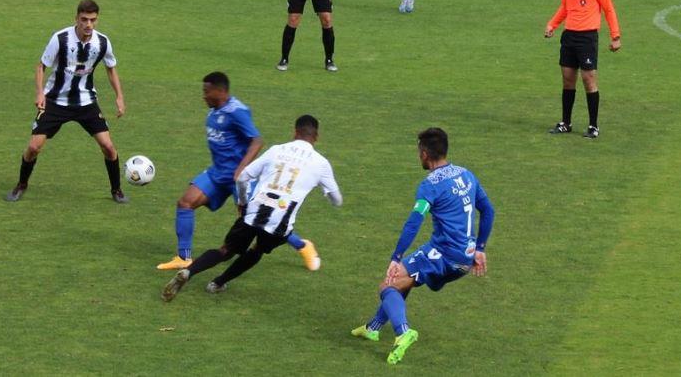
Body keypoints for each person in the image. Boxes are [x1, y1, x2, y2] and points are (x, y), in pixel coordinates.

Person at [350, 127, 494, 365]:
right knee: (404, 281)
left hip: (443, 255)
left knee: (388, 285)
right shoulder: (467, 175)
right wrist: (480, 248)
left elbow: (414, 221)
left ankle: (403, 332)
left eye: (419, 152)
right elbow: (488, 210)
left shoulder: (431, 185)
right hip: (464, 260)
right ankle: (373, 327)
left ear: (425, 154)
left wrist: (396, 256)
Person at [161, 115, 343, 301]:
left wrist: (241, 201)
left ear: (295, 132)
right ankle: (218, 283)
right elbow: (337, 200)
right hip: (280, 220)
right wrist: (326, 192)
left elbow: (242, 177)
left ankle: (188, 272)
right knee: (257, 250)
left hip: (254, 210)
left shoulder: (276, 150)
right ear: (316, 137)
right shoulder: (321, 163)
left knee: (225, 250)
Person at [157, 73, 321, 271]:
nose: (204, 96)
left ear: (221, 91)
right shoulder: (215, 110)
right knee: (185, 203)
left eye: (207, 92)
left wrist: (242, 169)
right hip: (217, 174)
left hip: (240, 178)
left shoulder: (237, 111)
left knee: (261, 221)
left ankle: (303, 245)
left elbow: (257, 140)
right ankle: (184, 258)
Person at [4, 0, 128, 203]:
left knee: (108, 146)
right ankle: (21, 184)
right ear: (76, 19)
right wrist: (40, 93)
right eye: (84, 19)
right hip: (55, 101)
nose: (88, 24)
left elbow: (111, 67)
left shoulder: (102, 42)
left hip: (86, 102)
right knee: (34, 147)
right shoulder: (60, 39)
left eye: (93, 20)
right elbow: (41, 66)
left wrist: (120, 96)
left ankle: (116, 190)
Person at [544, 0, 621, 139]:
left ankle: (593, 126)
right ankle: (566, 123)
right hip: (569, 36)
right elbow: (565, 7)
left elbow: (609, 10)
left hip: (587, 38)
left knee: (589, 80)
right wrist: (552, 24)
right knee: (568, 79)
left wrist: (615, 36)